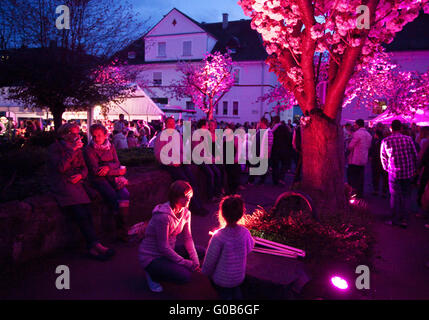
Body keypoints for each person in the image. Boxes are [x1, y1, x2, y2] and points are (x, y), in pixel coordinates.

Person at [47, 123, 114, 261]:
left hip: (77, 184)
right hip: (64, 185)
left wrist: (81, 176)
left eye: (78, 133)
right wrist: (72, 151)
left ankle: (94, 245)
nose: (77, 136)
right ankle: (94, 245)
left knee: (88, 213)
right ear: (65, 134)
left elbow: (84, 168)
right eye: (74, 133)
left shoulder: (77, 148)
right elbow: (60, 167)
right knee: (80, 214)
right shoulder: (55, 148)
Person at [138, 181, 205, 292]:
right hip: (152, 256)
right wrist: (185, 262)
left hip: (169, 250)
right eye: (185, 197)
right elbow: (162, 247)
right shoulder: (163, 216)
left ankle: (168, 266)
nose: (188, 200)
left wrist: (195, 260)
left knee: (200, 252)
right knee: (184, 276)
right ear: (175, 197)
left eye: (190, 197)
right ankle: (152, 274)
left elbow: (188, 238)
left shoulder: (186, 213)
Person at [202, 195, 254, 300]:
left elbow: (210, 260)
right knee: (236, 292)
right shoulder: (245, 233)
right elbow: (250, 247)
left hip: (221, 280)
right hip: (238, 277)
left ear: (222, 213)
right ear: (241, 214)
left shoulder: (218, 236)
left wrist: (204, 274)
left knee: (225, 295)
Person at [84, 124, 130, 241]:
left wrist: (108, 167)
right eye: (94, 136)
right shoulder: (89, 149)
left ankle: (123, 229)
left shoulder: (111, 146)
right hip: (99, 180)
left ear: (105, 135)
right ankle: (119, 231)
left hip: (111, 176)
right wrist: (116, 170)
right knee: (113, 197)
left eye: (99, 135)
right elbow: (96, 171)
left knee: (125, 194)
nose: (96, 139)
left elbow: (117, 163)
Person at [154, 117, 208, 216]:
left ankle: (199, 205)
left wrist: (183, 160)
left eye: (172, 123)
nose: (171, 125)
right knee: (184, 183)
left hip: (179, 162)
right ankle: (195, 207)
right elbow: (158, 154)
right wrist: (171, 162)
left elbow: (182, 151)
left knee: (193, 180)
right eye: (169, 123)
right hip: (168, 164)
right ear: (165, 125)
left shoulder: (177, 135)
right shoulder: (161, 136)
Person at [381, 120, 418, 228]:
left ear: (391, 128)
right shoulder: (408, 139)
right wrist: (415, 168)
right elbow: (415, 155)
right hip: (408, 172)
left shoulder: (385, 141)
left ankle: (395, 219)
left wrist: (387, 169)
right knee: (406, 195)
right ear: (401, 128)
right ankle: (405, 219)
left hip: (394, 173)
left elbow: (383, 158)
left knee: (394, 196)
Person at [347, 119, 372, 198]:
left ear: (358, 125)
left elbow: (350, 146)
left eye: (355, 125)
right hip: (363, 158)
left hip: (355, 159)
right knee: (361, 177)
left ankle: (353, 193)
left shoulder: (357, 134)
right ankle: (360, 193)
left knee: (353, 177)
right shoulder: (369, 135)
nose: (354, 126)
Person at [248, 117, 273, 185]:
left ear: (262, 122)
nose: (258, 123)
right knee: (253, 166)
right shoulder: (259, 131)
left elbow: (270, 144)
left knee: (261, 168)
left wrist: (267, 154)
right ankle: (251, 180)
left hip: (262, 153)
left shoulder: (268, 132)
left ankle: (259, 181)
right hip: (256, 152)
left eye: (259, 122)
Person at [270, 116, 292, 186]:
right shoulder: (284, 128)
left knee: (275, 165)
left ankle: (275, 180)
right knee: (284, 165)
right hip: (284, 149)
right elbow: (289, 138)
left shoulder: (272, 129)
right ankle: (281, 178)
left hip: (275, 149)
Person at [369, 129, 388, 197]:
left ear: (376, 134)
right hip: (384, 161)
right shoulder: (384, 140)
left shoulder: (375, 141)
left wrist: (371, 157)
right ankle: (384, 191)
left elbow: (372, 150)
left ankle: (376, 190)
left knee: (376, 176)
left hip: (376, 161)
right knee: (384, 177)